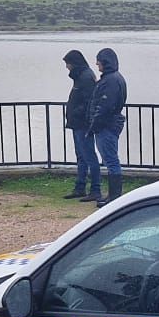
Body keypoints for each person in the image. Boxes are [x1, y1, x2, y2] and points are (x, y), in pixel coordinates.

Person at [89, 46, 127, 203]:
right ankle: (113, 196)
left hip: (107, 126)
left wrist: (95, 124)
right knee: (111, 160)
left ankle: (114, 197)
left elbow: (105, 105)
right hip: (110, 124)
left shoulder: (111, 80)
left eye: (98, 63)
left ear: (105, 62)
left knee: (111, 160)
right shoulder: (114, 78)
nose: (97, 66)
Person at [62, 49, 99, 201]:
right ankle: (80, 187)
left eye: (67, 64)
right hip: (77, 123)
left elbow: (88, 102)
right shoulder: (81, 77)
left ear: (74, 63)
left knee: (89, 156)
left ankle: (95, 189)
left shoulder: (86, 77)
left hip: (82, 124)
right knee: (81, 156)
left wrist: (77, 113)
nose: (67, 67)